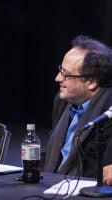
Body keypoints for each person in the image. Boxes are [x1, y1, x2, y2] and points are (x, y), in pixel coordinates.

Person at [43, 35, 112, 178]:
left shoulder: (108, 112)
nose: (58, 78)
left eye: (66, 74)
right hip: (53, 185)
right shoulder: (61, 101)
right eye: (60, 70)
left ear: (92, 82)